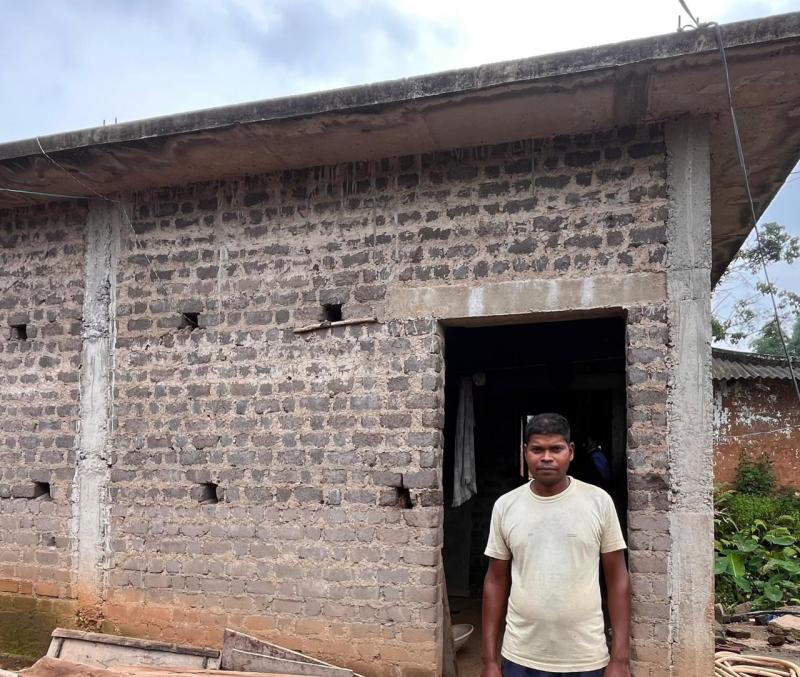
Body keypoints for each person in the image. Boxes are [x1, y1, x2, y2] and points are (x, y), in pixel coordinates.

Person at [481, 413, 631, 677]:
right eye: (537, 449)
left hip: (585, 657)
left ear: (570, 452)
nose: (546, 457)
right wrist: (489, 661)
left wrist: (620, 659)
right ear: (525, 451)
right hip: (520, 656)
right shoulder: (506, 506)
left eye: (556, 449)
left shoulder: (598, 502)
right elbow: (495, 581)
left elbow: (617, 579)